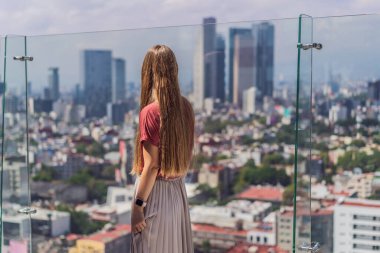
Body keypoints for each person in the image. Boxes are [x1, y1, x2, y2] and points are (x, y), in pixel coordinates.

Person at [130, 45, 195, 253]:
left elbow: (151, 166)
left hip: (154, 195)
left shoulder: (150, 112)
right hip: (177, 194)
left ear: (148, 73)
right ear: (174, 69)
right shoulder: (186, 107)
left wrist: (138, 206)